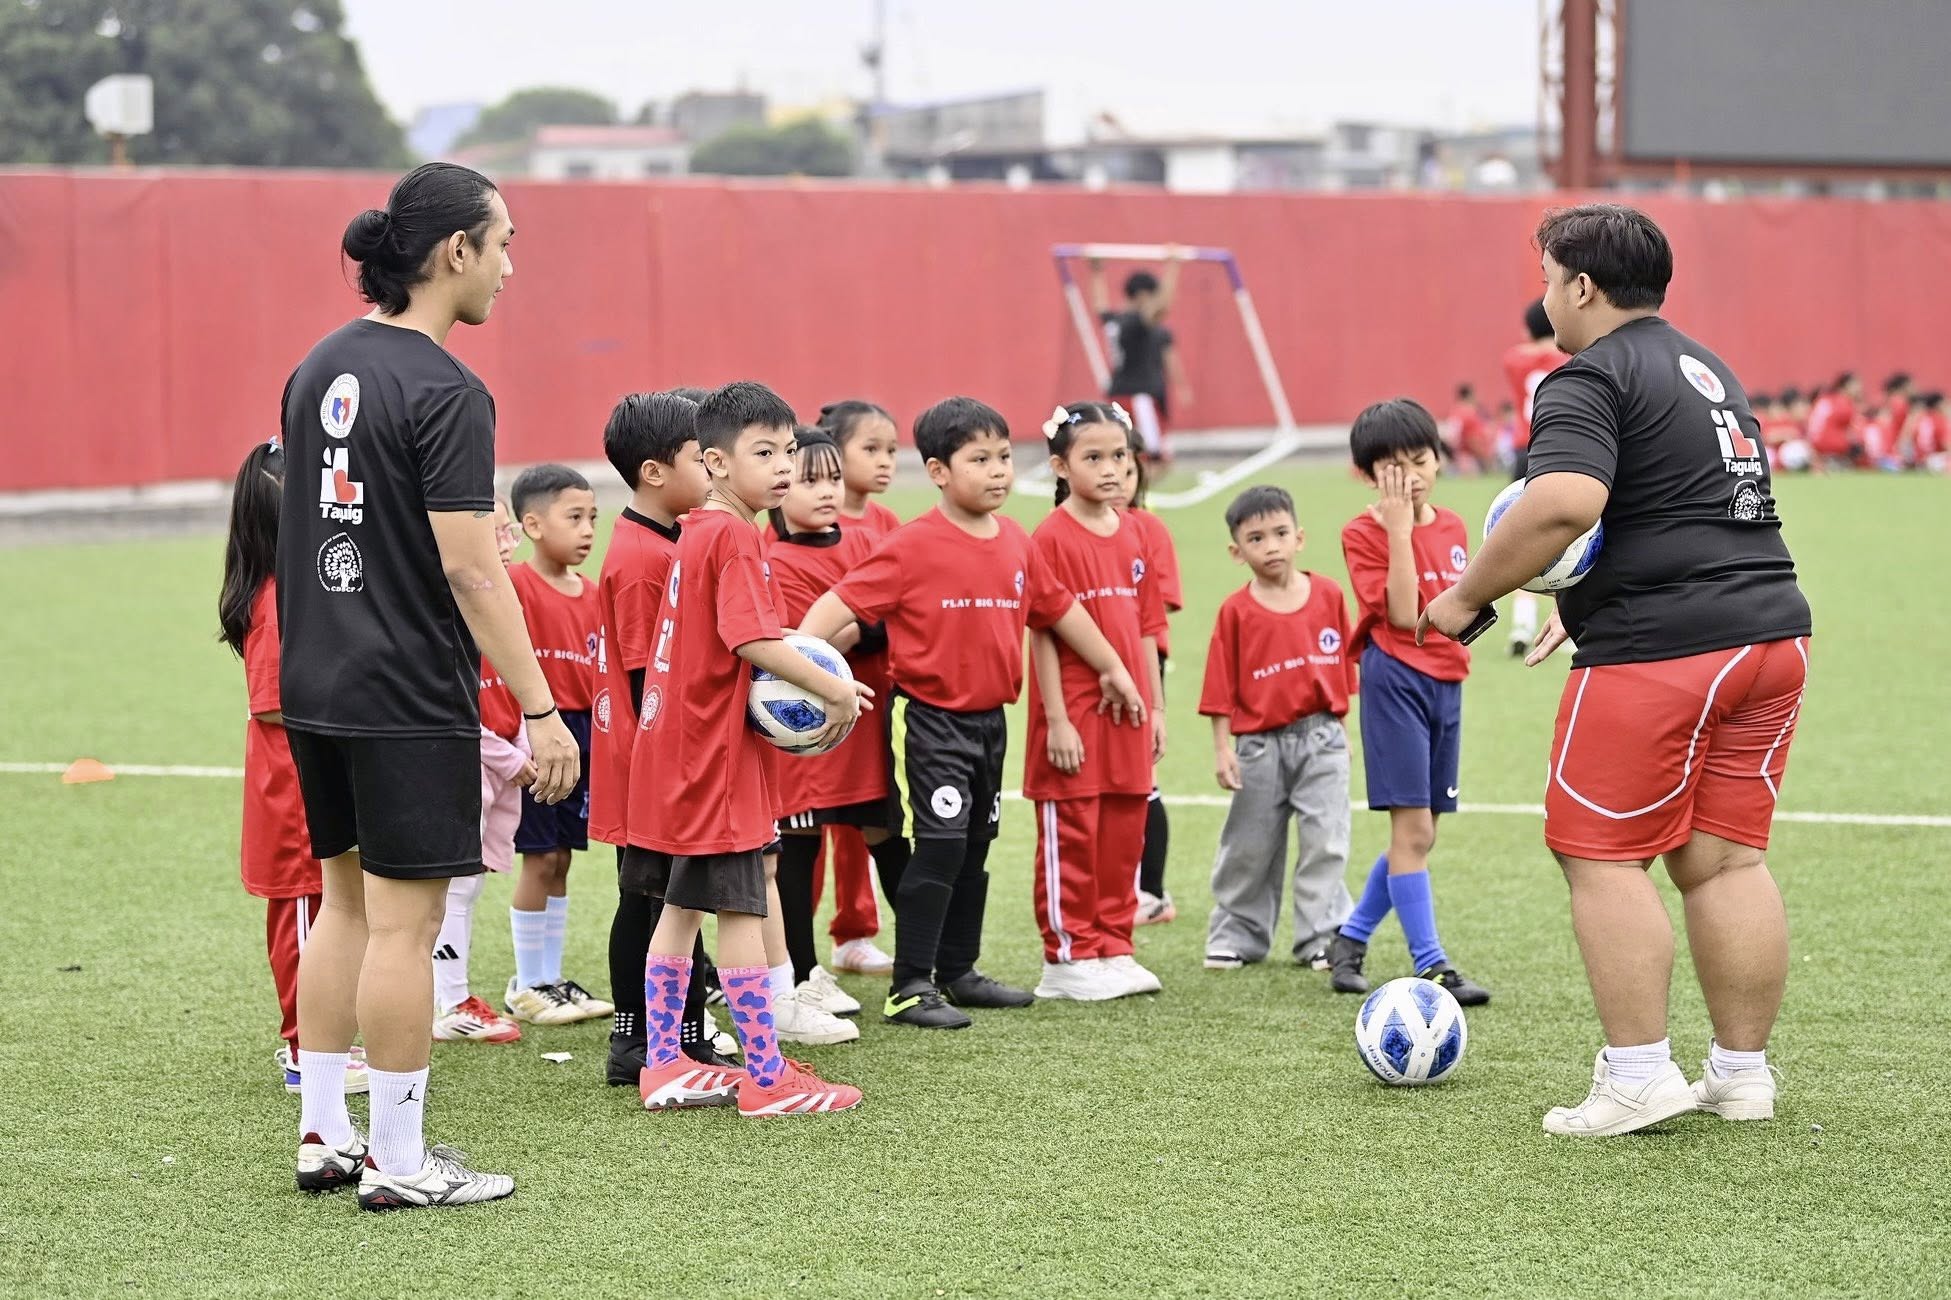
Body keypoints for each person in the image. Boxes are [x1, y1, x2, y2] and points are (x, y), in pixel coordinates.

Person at [1420, 203, 1813, 1138]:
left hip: (1666, 649)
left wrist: (1464, 598)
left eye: (1549, 278)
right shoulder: (1704, 365)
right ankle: (1740, 1075)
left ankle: (1637, 1076)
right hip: (1771, 636)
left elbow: (1562, 502)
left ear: (1582, 287)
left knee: (1595, 852)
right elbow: (1686, 503)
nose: (1545, 296)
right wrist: (1580, 601)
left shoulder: (1582, 375)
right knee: (1724, 861)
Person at [279, 162, 577, 1210]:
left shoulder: (318, 364)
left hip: (313, 683)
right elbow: (468, 566)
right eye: (502, 243)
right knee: (403, 928)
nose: (508, 265)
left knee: (343, 910)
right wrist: (541, 707)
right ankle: (400, 1165)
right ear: (455, 252)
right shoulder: (449, 387)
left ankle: (324, 1136)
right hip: (405, 694)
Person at [801, 397, 1150, 1027]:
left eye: (1004, 457)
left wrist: (1113, 668)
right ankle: (912, 984)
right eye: (979, 459)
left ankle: (958, 972)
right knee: (938, 848)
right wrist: (804, 669)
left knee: (974, 849)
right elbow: (837, 606)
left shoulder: (1016, 540)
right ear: (938, 470)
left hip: (993, 725)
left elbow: (1060, 610)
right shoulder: (911, 546)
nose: (997, 472)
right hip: (937, 724)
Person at [631, 381, 870, 1115]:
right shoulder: (732, 534)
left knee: (682, 904)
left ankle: (665, 1061)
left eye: (788, 450)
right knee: (737, 908)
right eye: (762, 452)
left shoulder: (701, 530)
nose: (782, 466)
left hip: (675, 748)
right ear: (714, 462)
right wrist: (831, 690)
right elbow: (753, 641)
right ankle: (766, 1076)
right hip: (713, 758)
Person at [1324, 399, 1491, 1008]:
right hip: (1395, 678)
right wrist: (1399, 529)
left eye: (1420, 459)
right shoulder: (1362, 532)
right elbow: (1400, 613)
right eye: (1393, 469)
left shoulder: (1451, 524)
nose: (1411, 476)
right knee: (1413, 831)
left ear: (1440, 458)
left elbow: (1463, 602)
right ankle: (1433, 966)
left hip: (1447, 682)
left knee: (1419, 837)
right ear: (1370, 477)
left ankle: (1350, 938)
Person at [218, 438, 371, 1097]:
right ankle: (306, 1051)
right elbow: (276, 706)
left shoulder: (303, 589)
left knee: (329, 911)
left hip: (316, 786)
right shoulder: (276, 600)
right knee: (305, 920)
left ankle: (328, 1040)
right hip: (294, 795)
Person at [590, 391, 729, 1087]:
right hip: (650, 763)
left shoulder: (667, 540)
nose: (710, 469)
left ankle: (682, 1033)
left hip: (660, 759)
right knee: (646, 898)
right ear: (653, 472)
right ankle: (633, 1038)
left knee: (675, 899)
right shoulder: (644, 559)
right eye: (696, 458)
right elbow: (654, 680)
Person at [764, 426, 911, 1018]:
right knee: (798, 846)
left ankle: (934, 960)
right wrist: (859, 629)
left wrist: (860, 629)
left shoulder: (863, 545)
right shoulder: (771, 559)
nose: (826, 490)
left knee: (886, 833)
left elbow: (885, 618)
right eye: (808, 479)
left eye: (831, 478)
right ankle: (802, 973)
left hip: (865, 729)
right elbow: (800, 647)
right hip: (803, 735)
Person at [1024, 402, 1167, 1001]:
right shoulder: (1050, 537)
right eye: (1093, 458)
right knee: (1075, 827)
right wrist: (1056, 718)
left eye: (1119, 456)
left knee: (1124, 827)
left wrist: (1156, 708)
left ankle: (1113, 943)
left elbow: (1145, 629)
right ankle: (1066, 954)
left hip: (1131, 711)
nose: (1110, 469)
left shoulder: (1136, 530)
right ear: (1060, 466)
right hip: (1077, 712)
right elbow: (1044, 630)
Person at [1198, 484, 1355, 971]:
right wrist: (1223, 748)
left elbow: (1343, 671)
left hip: (1321, 739)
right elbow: (1220, 684)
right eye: (1256, 538)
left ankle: (1322, 936)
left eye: (1280, 533)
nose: (1271, 546)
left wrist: (1341, 731)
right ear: (1236, 550)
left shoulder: (1328, 594)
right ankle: (1237, 934)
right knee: (1249, 844)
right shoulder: (1236, 611)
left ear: (1299, 537)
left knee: (1326, 840)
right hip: (1258, 747)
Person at [502, 464, 612, 1024]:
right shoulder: (514, 586)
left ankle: (550, 979)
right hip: (539, 734)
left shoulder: (595, 594)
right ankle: (527, 983)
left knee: (563, 858)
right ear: (533, 524)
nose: (589, 528)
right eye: (575, 517)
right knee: (539, 857)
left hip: (586, 734)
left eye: (593, 516)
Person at [429, 496, 529, 1044]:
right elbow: (449, 708)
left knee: (466, 884)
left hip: (499, 764)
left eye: (510, 530)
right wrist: (509, 754)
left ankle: (449, 996)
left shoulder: (507, 597)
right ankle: (449, 1001)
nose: (509, 543)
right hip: (466, 765)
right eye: (496, 533)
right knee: (448, 885)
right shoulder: (444, 607)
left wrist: (525, 737)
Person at [812, 398, 902, 976]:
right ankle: (797, 949)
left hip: (874, 690)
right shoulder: (806, 525)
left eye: (892, 450)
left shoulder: (889, 525)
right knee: (807, 823)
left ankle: (855, 931)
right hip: (816, 690)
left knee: (863, 815)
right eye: (871, 449)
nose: (886, 461)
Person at [1114, 444, 1183, 927]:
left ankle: (1152, 891)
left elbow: (1159, 603)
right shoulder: (1067, 527)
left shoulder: (1146, 527)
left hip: (1141, 658)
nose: (1117, 473)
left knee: (1143, 774)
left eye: (1125, 463)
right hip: (1092, 664)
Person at [1501, 299, 1569, 653]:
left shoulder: (1514, 360)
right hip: (1558, 447)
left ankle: (1521, 626)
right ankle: (1569, 624)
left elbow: (1523, 352)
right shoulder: (1569, 358)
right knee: (1570, 539)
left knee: (1519, 540)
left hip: (1522, 451)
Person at [1089, 255, 1192, 460]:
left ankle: (1129, 489)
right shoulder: (1137, 322)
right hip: (1140, 398)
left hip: (1116, 395)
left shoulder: (1114, 321)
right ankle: (1130, 492)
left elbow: (1099, 305)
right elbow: (1162, 307)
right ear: (1144, 296)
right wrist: (1173, 266)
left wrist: (1096, 271)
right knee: (1155, 458)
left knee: (1125, 453)